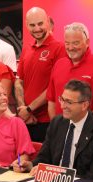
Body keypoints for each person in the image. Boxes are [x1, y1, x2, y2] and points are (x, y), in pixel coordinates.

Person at [13, 80, 93, 180]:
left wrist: (58, 176)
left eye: (69, 102)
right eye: (62, 99)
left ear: (84, 105)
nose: (62, 106)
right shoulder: (57, 123)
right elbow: (44, 158)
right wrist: (30, 165)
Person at [15, 7, 66, 142]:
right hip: (25, 120)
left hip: (46, 120)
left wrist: (30, 109)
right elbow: (19, 81)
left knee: (43, 162)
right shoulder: (26, 48)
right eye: (32, 25)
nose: (37, 28)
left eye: (40, 23)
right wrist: (23, 110)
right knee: (24, 161)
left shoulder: (60, 48)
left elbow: (54, 86)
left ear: (48, 22)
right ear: (26, 25)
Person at [47, 22, 93, 123]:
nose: (70, 47)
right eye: (67, 43)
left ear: (87, 42)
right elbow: (51, 100)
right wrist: (55, 125)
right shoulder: (59, 64)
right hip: (62, 131)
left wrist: (83, 126)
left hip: (90, 132)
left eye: (75, 43)